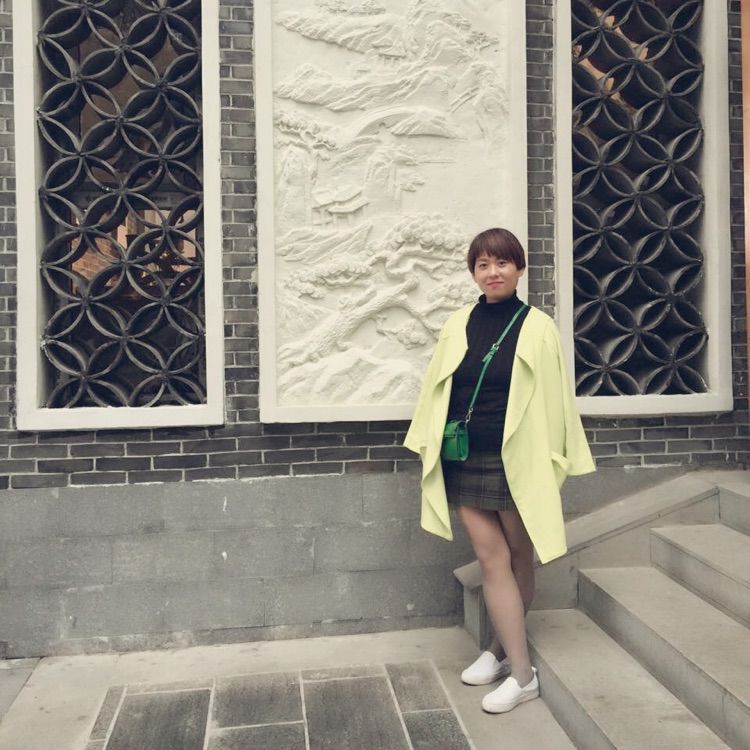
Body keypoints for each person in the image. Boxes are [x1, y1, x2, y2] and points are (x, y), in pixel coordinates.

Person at [404, 227, 595, 714]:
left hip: (516, 458)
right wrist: (427, 441)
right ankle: (506, 657)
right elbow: (437, 389)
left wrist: (557, 458)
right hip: (465, 456)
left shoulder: (538, 327)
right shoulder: (458, 323)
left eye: (503, 262)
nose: (493, 272)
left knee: (517, 557)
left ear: (519, 269)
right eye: (483, 264)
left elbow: (556, 398)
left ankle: (517, 670)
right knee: (492, 560)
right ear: (473, 272)